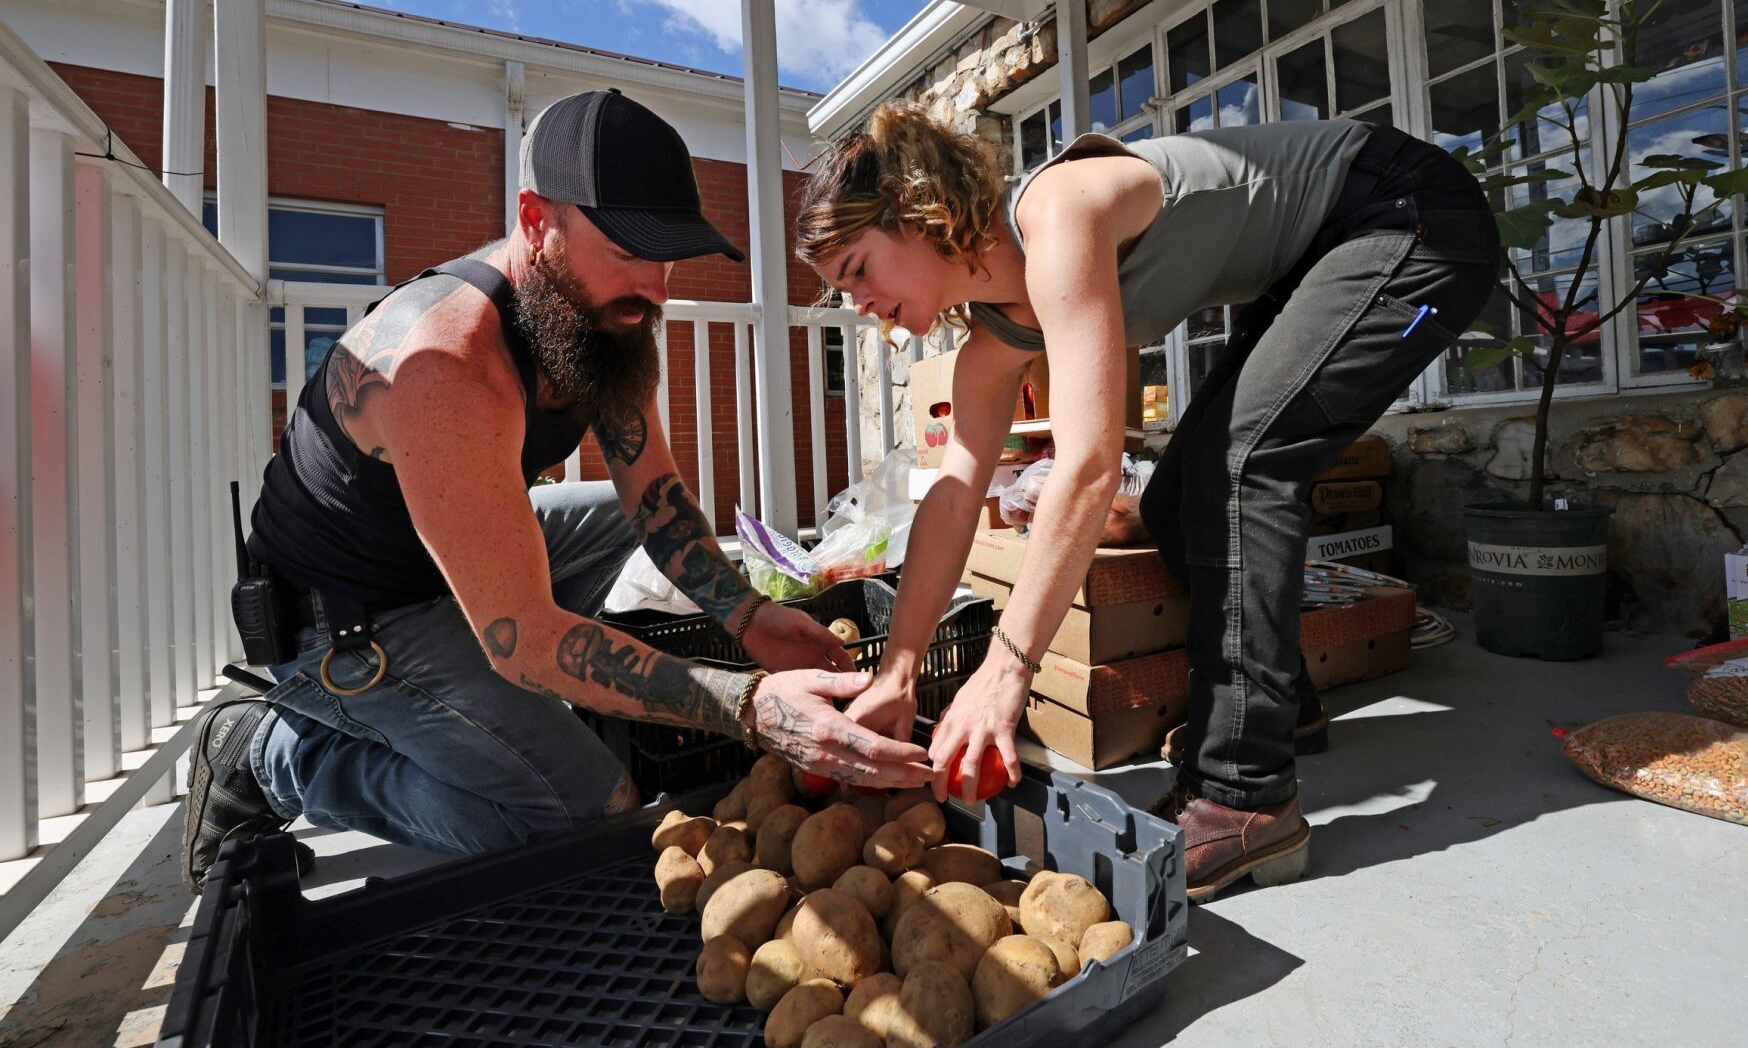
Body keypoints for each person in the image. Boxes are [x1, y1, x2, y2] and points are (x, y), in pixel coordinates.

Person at [183, 89, 930, 893]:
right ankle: (272, 756)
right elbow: (524, 641)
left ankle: (497, 714)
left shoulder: (605, 317)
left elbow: (655, 501)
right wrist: (751, 706)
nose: (659, 285)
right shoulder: (443, 362)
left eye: (670, 254)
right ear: (537, 221)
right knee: (586, 812)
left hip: (448, 571)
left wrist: (749, 617)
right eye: (632, 250)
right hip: (346, 618)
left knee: (615, 521)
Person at [795, 106, 1497, 900]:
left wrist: (1004, 672)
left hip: (1411, 218)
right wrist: (898, 671)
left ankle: (1246, 793)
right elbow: (954, 499)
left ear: (919, 214)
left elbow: (1089, 467)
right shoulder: (993, 340)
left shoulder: (1057, 216)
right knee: (1172, 504)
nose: (855, 305)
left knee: (1242, 466)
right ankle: (1279, 709)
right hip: (1319, 258)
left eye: (856, 271)